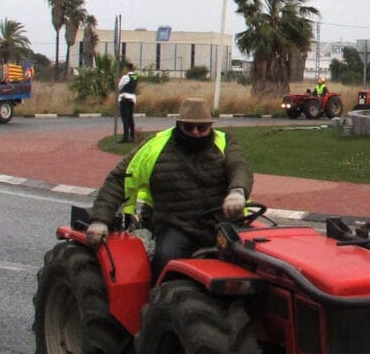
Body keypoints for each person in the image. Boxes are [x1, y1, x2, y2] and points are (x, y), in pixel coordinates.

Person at [85, 98, 253, 277]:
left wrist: (237, 191)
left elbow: (239, 167)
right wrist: (100, 220)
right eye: (189, 128)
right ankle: (160, 300)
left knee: (259, 261)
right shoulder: (155, 147)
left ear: (210, 126)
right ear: (178, 125)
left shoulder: (225, 142)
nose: (196, 133)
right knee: (166, 261)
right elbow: (119, 179)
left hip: (225, 225)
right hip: (178, 226)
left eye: (202, 128)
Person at [117, 61, 138, 143]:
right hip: (132, 98)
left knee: (125, 118)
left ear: (127, 68)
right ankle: (132, 136)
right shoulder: (135, 76)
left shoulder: (126, 77)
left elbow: (119, 86)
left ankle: (126, 137)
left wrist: (119, 81)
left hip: (124, 98)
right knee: (130, 118)